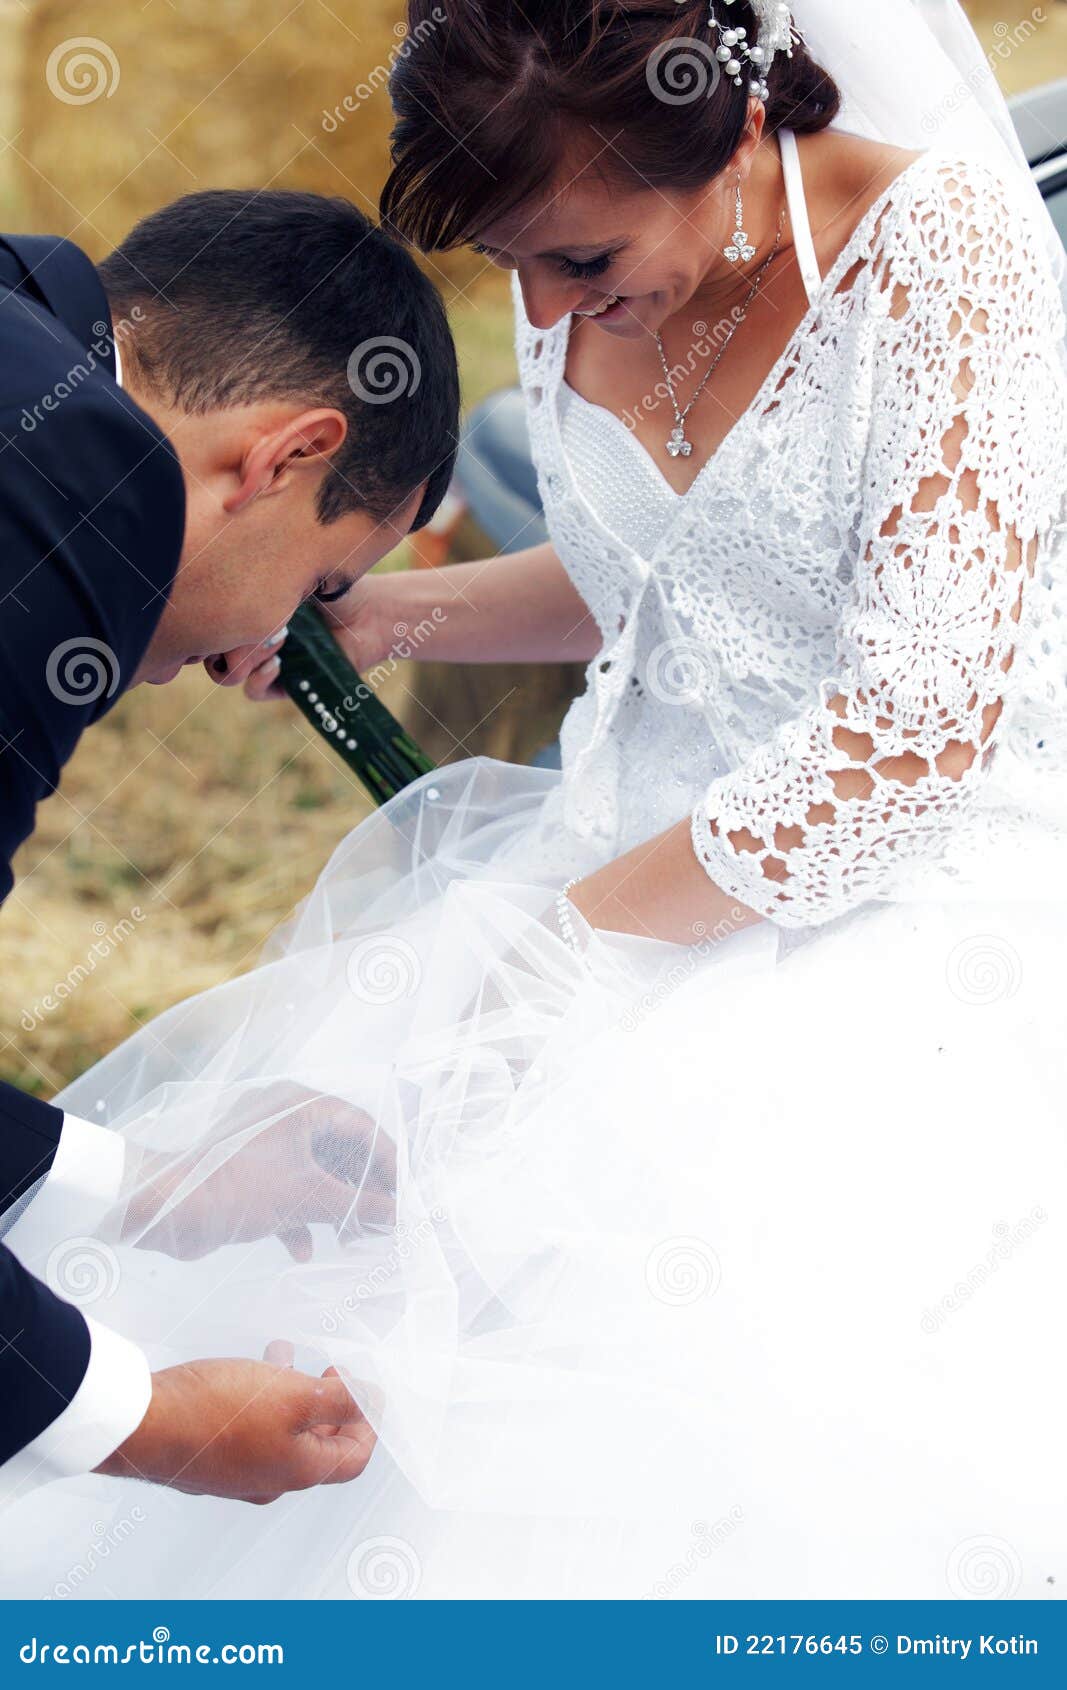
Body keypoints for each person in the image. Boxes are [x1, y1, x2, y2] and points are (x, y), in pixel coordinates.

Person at [3, 0, 1066, 1598]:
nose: (546, 311)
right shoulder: (582, 258)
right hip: (613, 860)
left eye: (578, 263)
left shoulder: (942, 249)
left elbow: (905, 729)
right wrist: (368, 615)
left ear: (732, 135)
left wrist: (573, 945)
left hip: (882, 895)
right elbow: (672, 580)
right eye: (514, 267)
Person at [0, 188, 459, 1508]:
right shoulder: (73, 489)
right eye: (321, 583)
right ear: (280, 459)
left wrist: (151, 1187)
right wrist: (136, 1417)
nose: (254, 657)